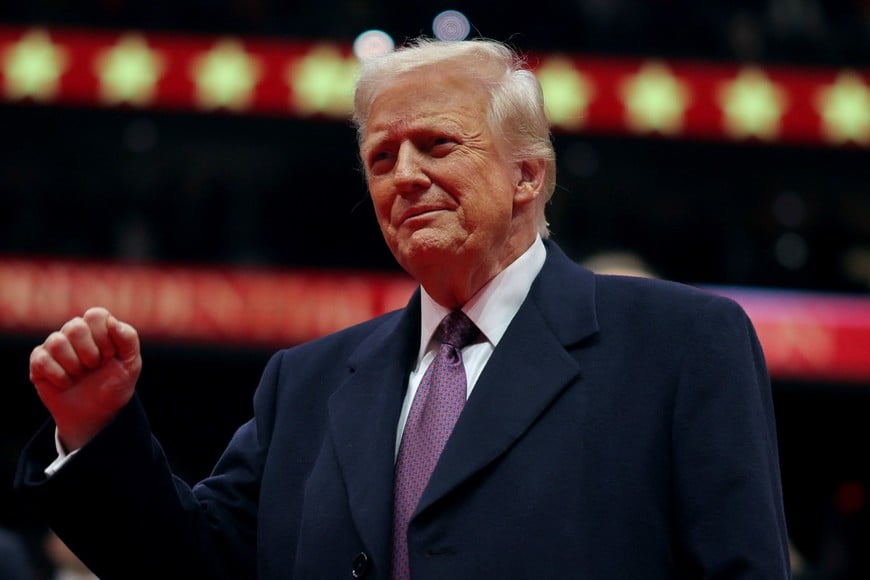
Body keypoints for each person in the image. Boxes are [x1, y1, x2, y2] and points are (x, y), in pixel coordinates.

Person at [15, 38, 790, 579]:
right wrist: (97, 436)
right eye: (381, 158)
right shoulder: (306, 385)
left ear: (528, 175)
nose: (404, 176)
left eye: (436, 146)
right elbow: (194, 563)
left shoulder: (680, 345)